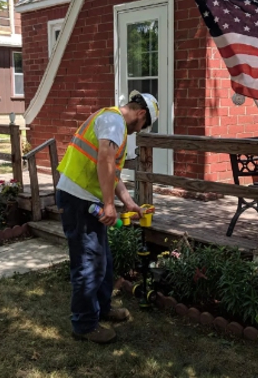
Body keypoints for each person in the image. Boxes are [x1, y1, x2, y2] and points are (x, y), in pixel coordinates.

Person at [56, 90, 160, 344]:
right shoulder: (114, 122)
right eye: (143, 126)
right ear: (141, 114)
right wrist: (110, 205)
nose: (139, 130)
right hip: (78, 200)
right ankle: (84, 324)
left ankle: (101, 309)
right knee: (88, 264)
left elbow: (111, 173)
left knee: (103, 261)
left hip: (84, 199)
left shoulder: (113, 123)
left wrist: (130, 203)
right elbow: (104, 160)